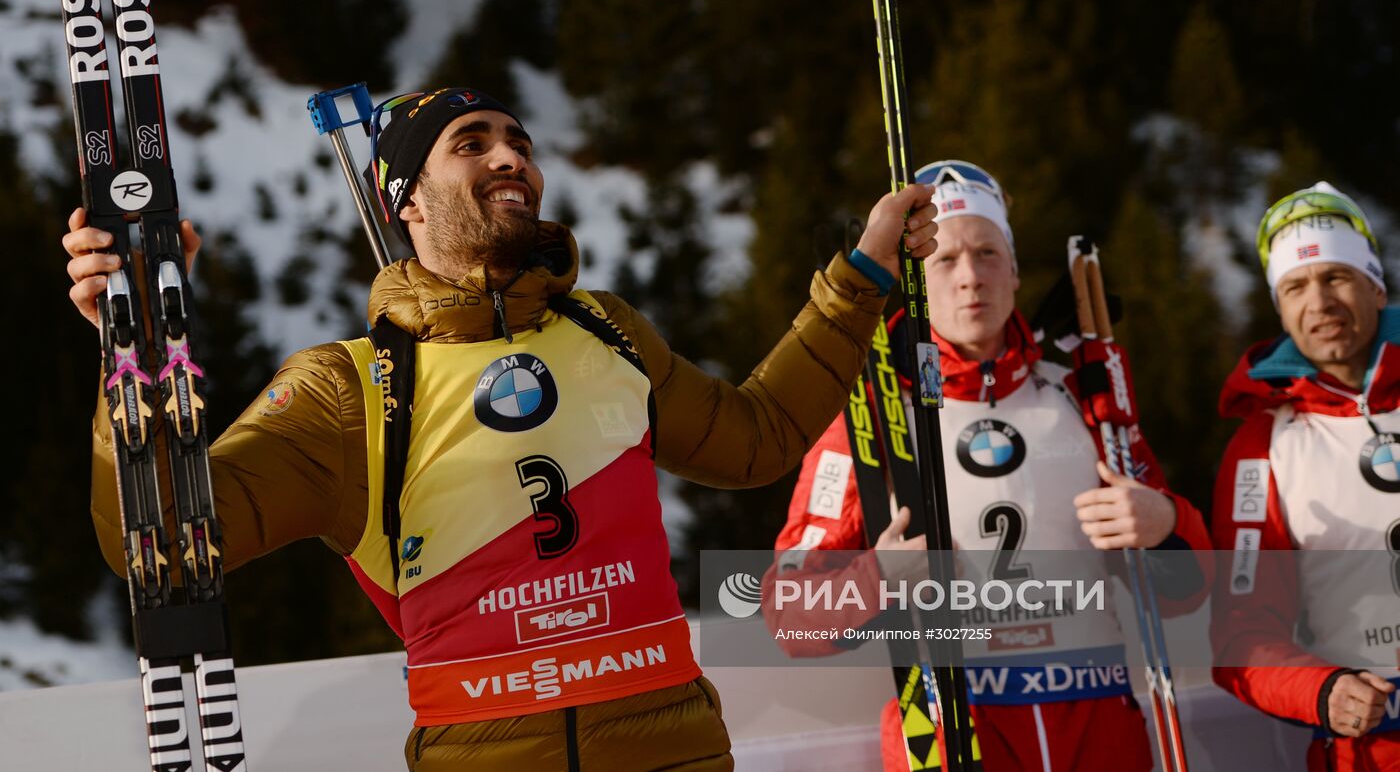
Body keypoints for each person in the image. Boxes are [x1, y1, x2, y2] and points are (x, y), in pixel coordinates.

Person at [62, 86, 941, 772]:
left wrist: (862, 272)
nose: (511, 156)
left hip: (675, 749)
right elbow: (170, 545)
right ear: (404, 202)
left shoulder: (607, 330)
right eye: (470, 143)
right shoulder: (348, 389)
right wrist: (133, 348)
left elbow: (756, 439)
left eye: (518, 140)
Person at [765, 160, 1212, 772]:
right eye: (945, 260)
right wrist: (879, 577)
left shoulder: (1081, 395)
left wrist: (1166, 522)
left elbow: (1185, 595)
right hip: (956, 729)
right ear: (916, 279)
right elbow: (789, 618)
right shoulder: (871, 417)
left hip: (1098, 720)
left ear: (1016, 270)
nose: (971, 277)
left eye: (987, 252)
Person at [1210, 181, 1399, 772]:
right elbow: (1242, 633)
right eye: (1296, 286)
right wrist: (1320, 689)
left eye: (1337, 277)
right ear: (1280, 307)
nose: (1318, 302)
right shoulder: (1262, 446)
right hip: (1371, 747)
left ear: (1375, 284)